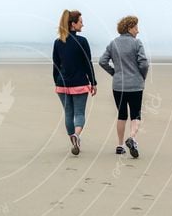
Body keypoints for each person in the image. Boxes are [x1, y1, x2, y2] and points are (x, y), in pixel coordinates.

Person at [99, 15, 149, 157]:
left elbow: (103, 61)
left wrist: (114, 73)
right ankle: (132, 138)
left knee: (121, 115)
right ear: (129, 28)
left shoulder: (113, 43)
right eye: (136, 27)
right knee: (136, 114)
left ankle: (120, 145)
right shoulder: (136, 43)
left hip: (118, 85)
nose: (138, 31)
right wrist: (141, 76)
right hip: (135, 85)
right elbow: (144, 63)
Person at [52, 10, 97, 155]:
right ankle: (76, 135)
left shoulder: (58, 42)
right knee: (79, 113)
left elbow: (56, 65)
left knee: (68, 113)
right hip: (79, 83)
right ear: (73, 24)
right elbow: (87, 63)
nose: (83, 24)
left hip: (62, 83)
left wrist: (57, 82)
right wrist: (93, 82)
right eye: (81, 22)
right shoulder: (82, 41)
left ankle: (73, 140)